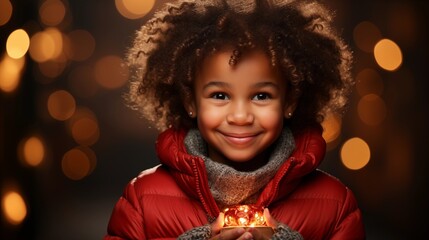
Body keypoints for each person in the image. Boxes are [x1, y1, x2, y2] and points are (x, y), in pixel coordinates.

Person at [104, 0, 365, 239]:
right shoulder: (141, 199)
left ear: (289, 102)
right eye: (220, 95)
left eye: (261, 96)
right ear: (191, 102)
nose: (240, 116)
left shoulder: (337, 205)